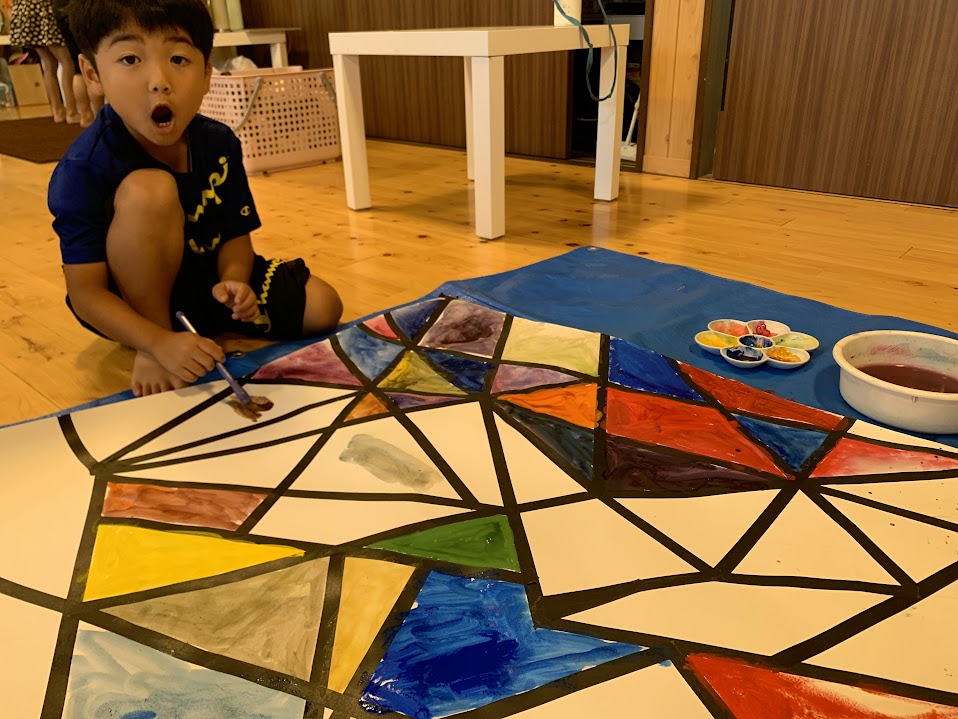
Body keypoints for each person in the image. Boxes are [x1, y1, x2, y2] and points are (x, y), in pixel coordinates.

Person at [48, 0, 343, 397]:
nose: (159, 80)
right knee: (150, 190)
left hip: (205, 282)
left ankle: (190, 327)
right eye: (131, 59)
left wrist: (235, 281)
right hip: (131, 302)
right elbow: (86, 294)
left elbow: (235, 233)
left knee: (323, 306)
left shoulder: (218, 142)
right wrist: (155, 343)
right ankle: (156, 335)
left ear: (206, 74)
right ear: (92, 74)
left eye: (179, 59)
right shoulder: (83, 168)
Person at [9, 0, 80, 122]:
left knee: (48, 64)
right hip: (44, 10)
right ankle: (71, 112)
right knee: (67, 62)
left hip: (26, 10)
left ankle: (57, 110)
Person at [51, 0, 101, 126]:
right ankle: (99, 116)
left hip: (61, 8)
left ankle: (85, 115)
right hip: (81, 7)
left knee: (77, 68)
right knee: (93, 64)